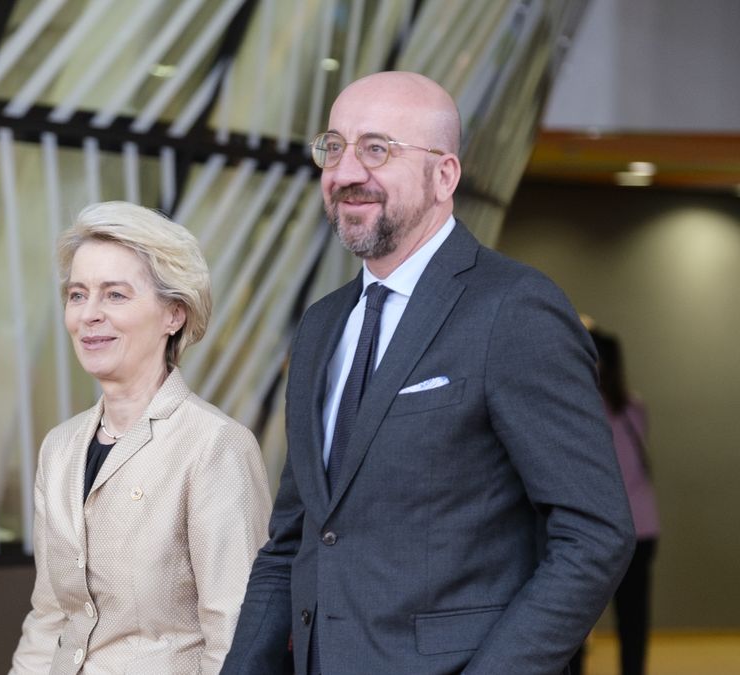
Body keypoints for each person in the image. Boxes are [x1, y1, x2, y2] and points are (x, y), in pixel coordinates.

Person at [222, 71, 635, 675]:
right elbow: (294, 540)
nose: (345, 172)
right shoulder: (320, 326)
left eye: (377, 148)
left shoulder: (514, 309)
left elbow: (595, 533)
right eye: (333, 147)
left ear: (445, 176)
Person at [9, 201, 272, 675]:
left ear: (173, 314)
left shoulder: (215, 446)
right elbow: (50, 618)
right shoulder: (60, 448)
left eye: (115, 295)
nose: (89, 315)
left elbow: (235, 636)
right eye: (77, 294)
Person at [582, 328, 659, 675]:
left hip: (598, 533)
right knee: (633, 619)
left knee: (574, 620)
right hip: (642, 529)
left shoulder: (582, 407)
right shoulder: (634, 406)